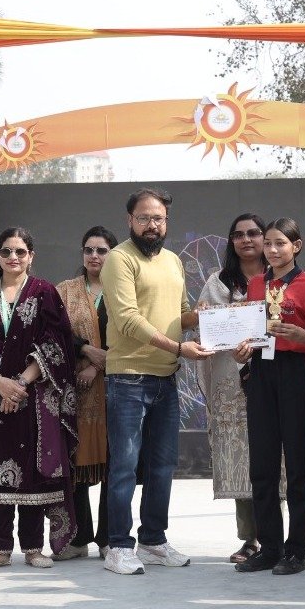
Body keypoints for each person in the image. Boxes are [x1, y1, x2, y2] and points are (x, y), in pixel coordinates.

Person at [101, 187, 212, 575]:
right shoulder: (119, 259)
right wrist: (179, 348)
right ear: (130, 220)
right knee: (125, 467)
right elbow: (128, 320)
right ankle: (118, 546)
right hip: (128, 379)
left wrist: (204, 316)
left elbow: (180, 313)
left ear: (167, 222)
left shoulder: (172, 261)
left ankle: (152, 540)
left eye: (159, 219)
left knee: (162, 466)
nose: (152, 225)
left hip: (166, 378)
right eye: (145, 218)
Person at [0, 227, 78, 570]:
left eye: (20, 252)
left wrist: (21, 382)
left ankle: (32, 547)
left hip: (35, 397)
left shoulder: (44, 292)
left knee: (32, 469)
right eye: (6, 251)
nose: (13, 257)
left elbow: (57, 342)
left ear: (31, 256)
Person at [233, 218, 305, 575]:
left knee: (299, 465)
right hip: (261, 371)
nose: (272, 250)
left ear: (296, 246)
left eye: (280, 243)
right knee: (262, 464)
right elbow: (249, 333)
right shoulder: (256, 284)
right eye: (269, 243)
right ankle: (269, 547)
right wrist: (241, 350)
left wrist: (302, 336)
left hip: (297, 371)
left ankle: (296, 551)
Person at [196, 213, 269, 563]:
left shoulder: (278, 276)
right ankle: (250, 539)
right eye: (238, 234)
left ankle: (276, 536)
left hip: (272, 371)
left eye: (253, 233)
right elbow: (207, 326)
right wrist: (207, 316)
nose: (246, 239)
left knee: (274, 456)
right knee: (241, 455)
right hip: (231, 381)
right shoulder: (219, 280)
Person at [55, 226, 120, 560]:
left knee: (114, 464)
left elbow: (131, 334)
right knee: (73, 462)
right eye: (89, 250)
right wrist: (84, 349)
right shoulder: (64, 291)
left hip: (117, 388)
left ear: (113, 254)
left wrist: (97, 366)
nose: (94, 256)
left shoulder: (124, 290)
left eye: (102, 250)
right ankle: (78, 538)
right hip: (73, 391)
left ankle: (110, 537)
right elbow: (53, 331)